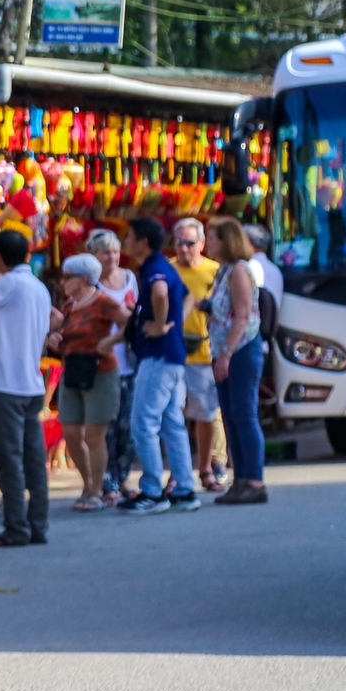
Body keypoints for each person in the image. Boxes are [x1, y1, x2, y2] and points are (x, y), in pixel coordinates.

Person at [0, 230, 53, 548]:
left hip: (7, 384)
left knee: (7, 459)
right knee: (33, 459)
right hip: (31, 384)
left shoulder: (10, 283)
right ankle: (37, 525)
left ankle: (16, 528)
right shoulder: (38, 287)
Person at [120, 216, 200, 514]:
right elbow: (187, 297)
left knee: (143, 422)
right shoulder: (162, 266)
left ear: (142, 242)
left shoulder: (155, 268)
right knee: (171, 422)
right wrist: (170, 323)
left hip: (158, 357)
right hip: (171, 355)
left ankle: (152, 492)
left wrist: (161, 323)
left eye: (129, 236)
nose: (125, 241)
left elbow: (161, 293)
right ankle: (184, 488)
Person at [46, 252, 128, 511]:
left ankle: (95, 490)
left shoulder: (103, 301)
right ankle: (88, 482)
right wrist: (53, 338)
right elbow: (60, 332)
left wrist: (110, 342)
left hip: (100, 372)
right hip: (73, 372)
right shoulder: (70, 305)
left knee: (94, 433)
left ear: (83, 279)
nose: (63, 281)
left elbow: (130, 324)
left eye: (67, 277)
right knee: (70, 432)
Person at [208, 219, 269, 504]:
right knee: (231, 416)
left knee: (244, 414)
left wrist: (226, 354)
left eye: (212, 238)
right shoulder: (224, 271)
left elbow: (242, 316)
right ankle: (241, 478)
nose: (208, 244)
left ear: (226, 241)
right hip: (224, 349)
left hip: (240, 349)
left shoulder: (240, 271)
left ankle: (254, 480)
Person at [86, 230, 142, 506]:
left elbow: (139, 314)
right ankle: (106, 479)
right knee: (104, 426)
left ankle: (124, 476)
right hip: (103, 364)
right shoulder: (90, 284)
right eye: (106, 252)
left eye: (115, 252)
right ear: (94, 255)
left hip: (129, 362)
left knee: (128, 425)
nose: (112, 257)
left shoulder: (130, 278)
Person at [173, 219, 225, 491]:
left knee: (205, 416)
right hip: (172, 354)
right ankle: (177, 474)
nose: (184, 248)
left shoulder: (215, 272)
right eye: (179, 242)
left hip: (204, 354)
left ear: (202, 244)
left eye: (190, 243)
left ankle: (205, 469)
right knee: (172, 416)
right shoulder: (168, 271)